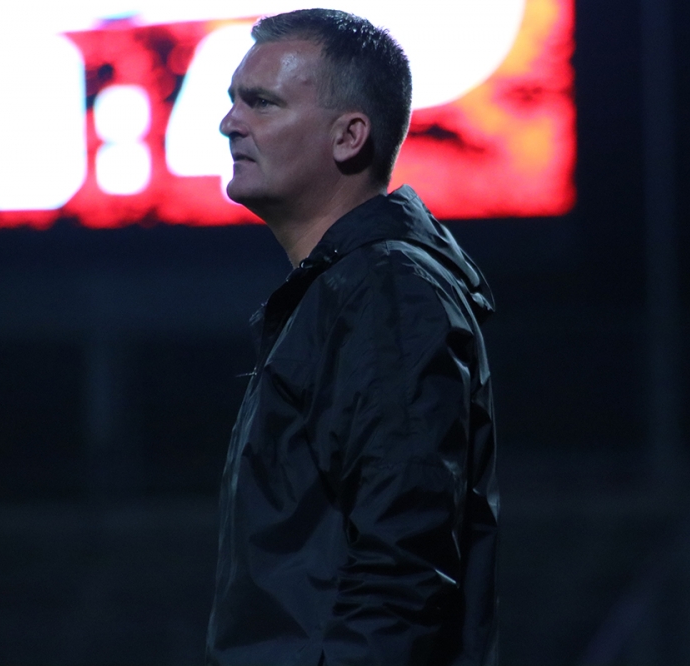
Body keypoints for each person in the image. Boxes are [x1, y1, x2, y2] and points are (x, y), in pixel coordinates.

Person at [205, 9, 499, 666]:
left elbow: (402, 567)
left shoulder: (385, 290)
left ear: (349, 136)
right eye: (233, 100)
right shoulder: (352, 290)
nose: (229, 123)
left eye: (261, 102)